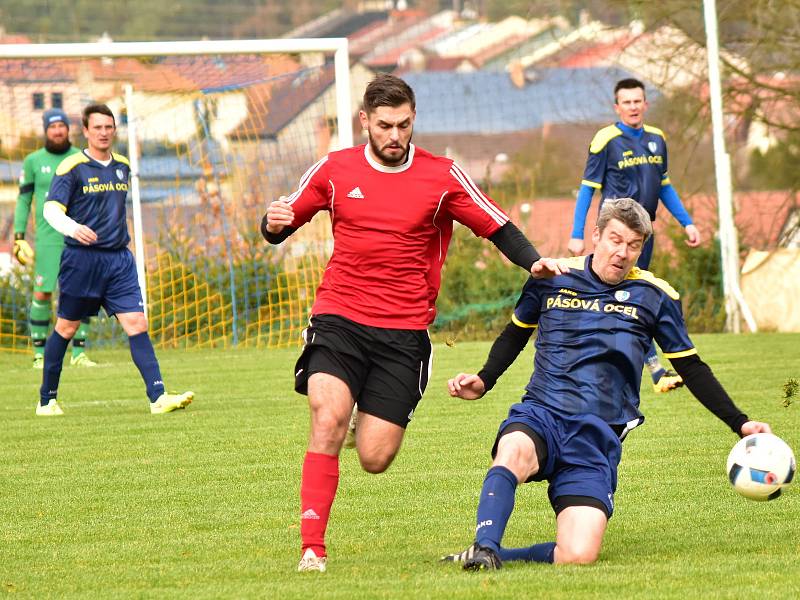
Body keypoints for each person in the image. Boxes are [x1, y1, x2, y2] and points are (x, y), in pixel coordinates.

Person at [262, 73, 565, 573]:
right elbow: (284, 221)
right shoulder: (334, 170)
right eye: (384, 125)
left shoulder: (442, 175)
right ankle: (312, 548)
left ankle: (365, 415)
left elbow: (498, 224)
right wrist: (272, 225)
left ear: (413, 119)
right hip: (339, 318)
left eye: (403, 125)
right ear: (365, 121)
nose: (394, 135)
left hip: (403, 335)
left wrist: (532, 262)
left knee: (375, 458)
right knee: (327, 417)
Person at [443, 198, 771, 570]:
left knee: (578, 555)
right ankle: (485, 546)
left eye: (634, 245)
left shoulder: (656, 296)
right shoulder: (552, 276)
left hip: (597, 435)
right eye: (615, 240)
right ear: (596, 235)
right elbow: (515, 334)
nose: (622, 253)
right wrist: (484, 380)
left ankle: (498, 555)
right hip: (543, 413)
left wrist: (739, 422)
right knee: (513, 450)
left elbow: (692, 368)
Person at [36, 103, 194, 417]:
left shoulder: (122, 165)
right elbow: (50, 209)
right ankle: (46, 400)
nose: (104, 133)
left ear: (114, 130)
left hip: (119, 260)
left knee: (137, 323)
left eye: (109, 127)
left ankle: (158, 397)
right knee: (66, 328)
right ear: (86, 131)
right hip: (81, 261)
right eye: (98, 128)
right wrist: (73, 228)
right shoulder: (71, 167)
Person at [567, 78, 702, 394]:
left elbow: (664, 186)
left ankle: (638, 367)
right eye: (626, 102)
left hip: (644, 234)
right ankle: (654, 371)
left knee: (631, 294)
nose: (632, 107)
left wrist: (687, 223)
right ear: (617, 107)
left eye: (637, 101)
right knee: (629, 292)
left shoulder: (657, 139)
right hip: (616, 235)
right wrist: (577, 234)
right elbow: (587, 190)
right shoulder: (605, 140)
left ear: (645, 104)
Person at [13, 108, 97, 369]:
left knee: (81, 293)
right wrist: (19, 236)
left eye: (62, 126)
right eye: (53, 127)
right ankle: (39, 353)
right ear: (46, 130)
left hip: (78, 237)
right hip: (48, 239)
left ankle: (79, 354)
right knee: (43, 293)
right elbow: (24, 199)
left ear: (68, 129)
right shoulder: (33, 161)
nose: (58, 131)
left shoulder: (82, 158)